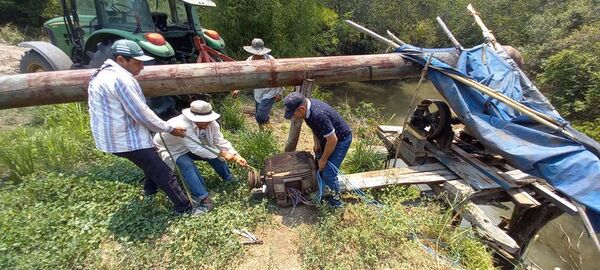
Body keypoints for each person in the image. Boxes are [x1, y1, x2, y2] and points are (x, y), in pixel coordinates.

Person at [87, 39, 205, 215]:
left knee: (151, 162)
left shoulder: (102, 74)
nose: (141, 67)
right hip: (125, 138)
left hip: (112, 136)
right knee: (163, 172)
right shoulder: (120, 80)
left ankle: (150, 190)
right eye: (137, 63)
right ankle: (185, 208)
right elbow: (141, 113)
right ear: (121, 60)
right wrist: (169, 128)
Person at [153, 100, 248, 209]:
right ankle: (202, 197)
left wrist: (235, 155)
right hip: (172, 148)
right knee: (187, 165)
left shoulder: (212, 124)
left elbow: (219, 141)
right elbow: (197, 148)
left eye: (207, 120)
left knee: (214, 154)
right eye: (202, 121)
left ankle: (228, 177)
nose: (206, 124)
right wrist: (222, 153)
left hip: (191, 146)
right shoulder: (182, 125)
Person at [283, 92, 352, 207]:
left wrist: (324, 159)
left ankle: (336, 203)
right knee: (318, 165)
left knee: (328, 173)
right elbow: (315, 127)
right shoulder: (308, 111)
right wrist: (317, 143)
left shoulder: (318, 115)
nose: (293, 116)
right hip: (327, 138)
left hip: (341, 140)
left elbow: (333, 140)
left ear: (302, 108)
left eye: (293, 113)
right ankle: (323, 192)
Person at [232, 38, 284, 128]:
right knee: (260, 117)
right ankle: (264, 134)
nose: (258, 55)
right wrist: (238, 89)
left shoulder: (270, 60)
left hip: (270, 92)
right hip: (258, 92)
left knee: (260, 116)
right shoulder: (249, 61)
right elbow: (246, 77)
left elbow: (279, 75)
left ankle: (267, 127)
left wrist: (279, 92)